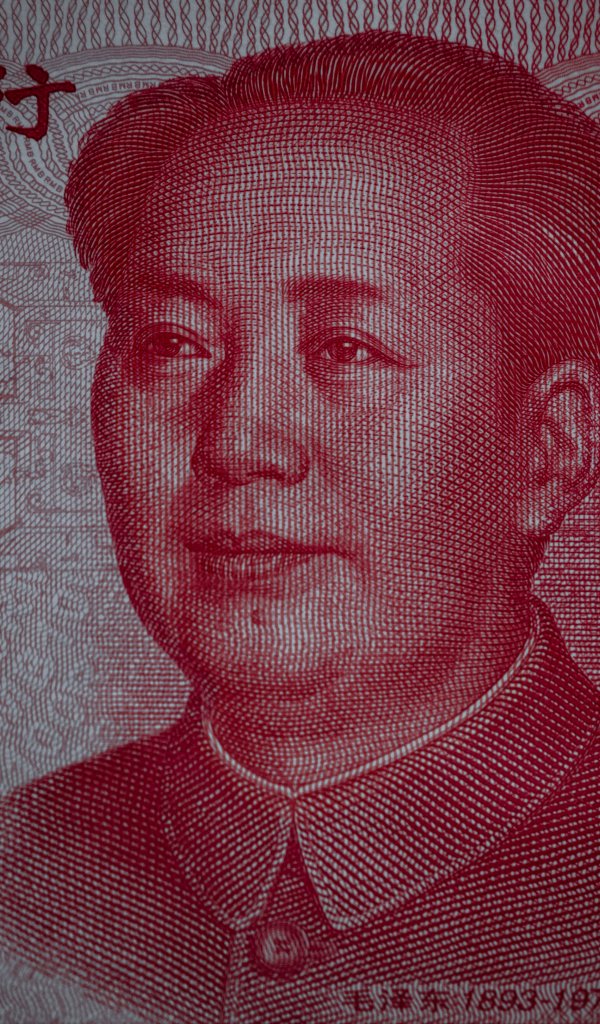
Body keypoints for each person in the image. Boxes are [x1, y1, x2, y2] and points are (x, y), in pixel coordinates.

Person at [1, 28, 599, 1024]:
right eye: (175, 343)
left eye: (347, 348)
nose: (237, 442)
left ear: (549, 449)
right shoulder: (24, 872)